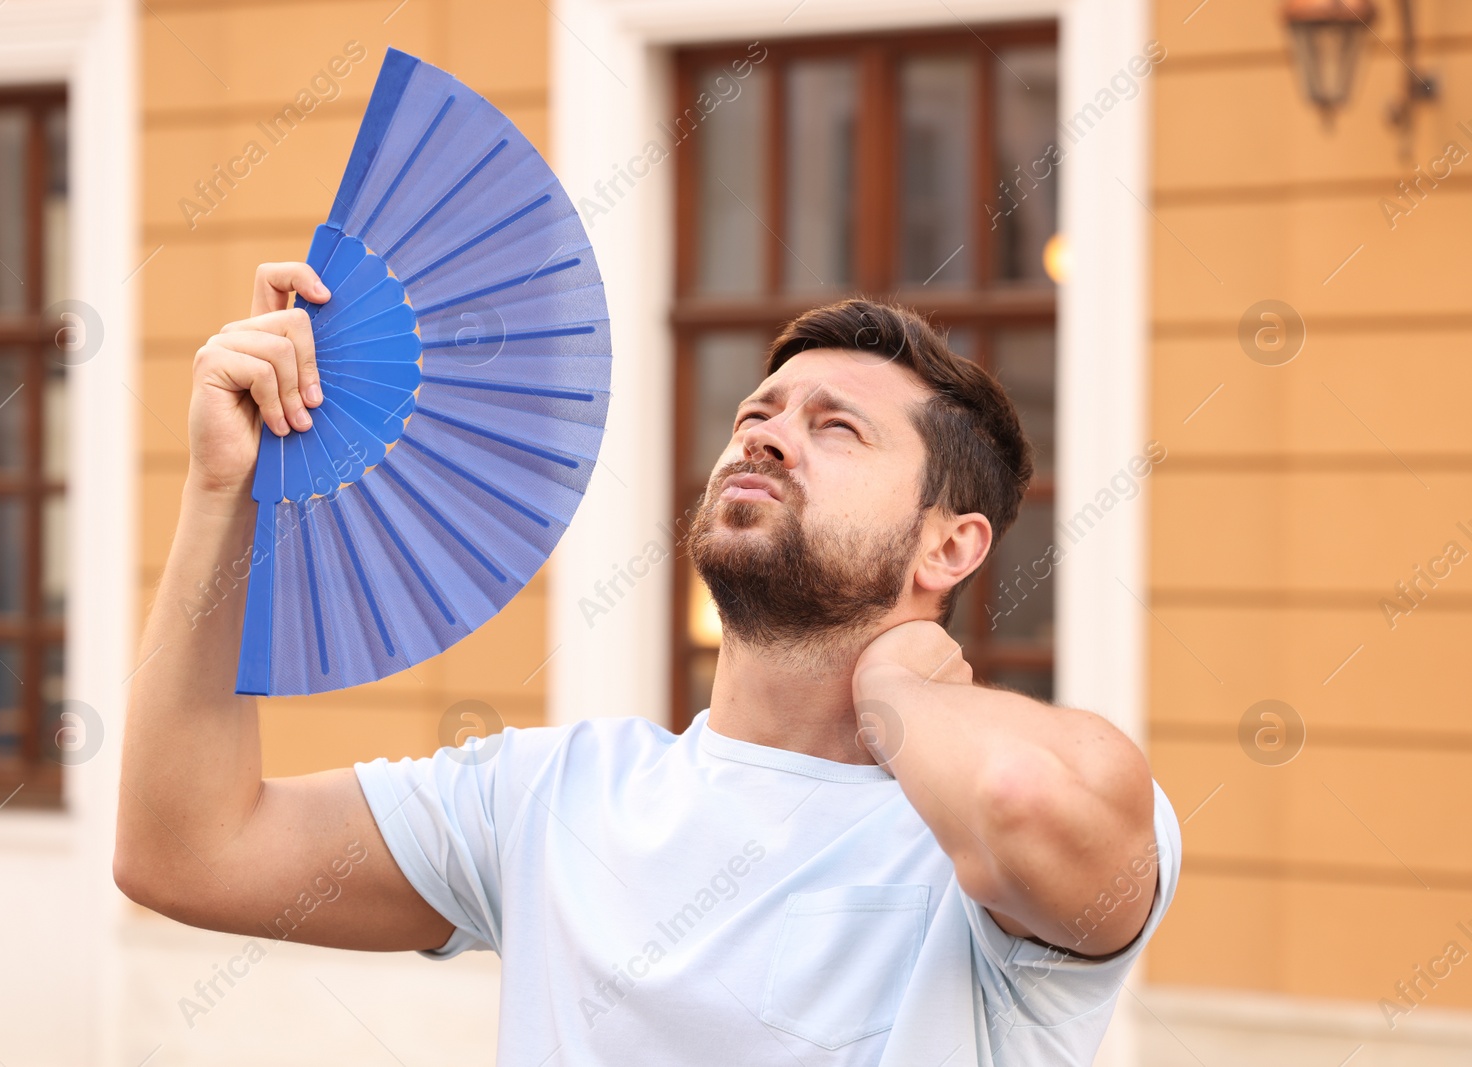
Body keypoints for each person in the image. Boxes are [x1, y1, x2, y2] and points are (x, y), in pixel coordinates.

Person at [115, 264, 1181, 1066]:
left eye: (836, 427)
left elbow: (1023, 793)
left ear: (950, 545)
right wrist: (227, 496)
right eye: (755, 414)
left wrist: (897, 680)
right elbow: (187, 848)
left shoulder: (972, 845)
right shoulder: (547, 795)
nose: (764, 438)